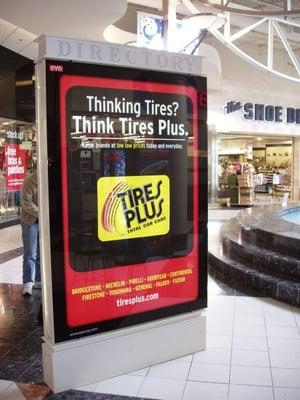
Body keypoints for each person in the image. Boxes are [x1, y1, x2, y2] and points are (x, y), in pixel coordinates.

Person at [20, 170, 41, 296]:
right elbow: (26, 203)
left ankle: (39, 279)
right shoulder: (29, 181)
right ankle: (28, 282)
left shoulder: (49, 180)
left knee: (41, 252)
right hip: (30, 220)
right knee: (30, 252)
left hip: (44, 220)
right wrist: (42, 212)